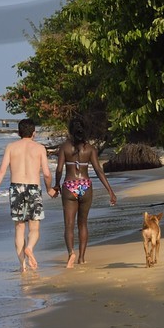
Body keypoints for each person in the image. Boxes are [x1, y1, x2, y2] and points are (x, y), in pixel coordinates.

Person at [0, 119, 55, 271]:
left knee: (19, 228)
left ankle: (22, 266)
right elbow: (46, 173)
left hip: (16, 188)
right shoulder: (39, 148)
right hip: (33, 188)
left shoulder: (11, 147)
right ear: (34, 133)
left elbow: (2, 171)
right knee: (34, 227)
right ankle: (30, 248)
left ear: (18, 133)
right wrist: (49, 188)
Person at [54, 115, 117, 268]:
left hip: (69, 186)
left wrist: (56, 185)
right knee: (83, 224)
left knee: (69, 225)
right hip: (85, 186)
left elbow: (60, 169)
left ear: (70, 131)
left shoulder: (64, 147)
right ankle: (82, 258)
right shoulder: (90, 149)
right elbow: (98, 170)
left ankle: (71, 254)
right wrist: (110, 191)